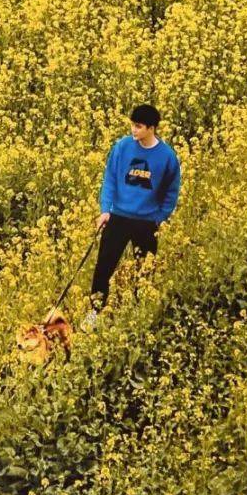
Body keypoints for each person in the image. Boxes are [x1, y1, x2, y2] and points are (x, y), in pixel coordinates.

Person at [82, 104, 181, 329]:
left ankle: (137, 317)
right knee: (104, 267)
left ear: (151, 128)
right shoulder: (122, 147)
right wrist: (105, 209)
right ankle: (94, 314)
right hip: (118, 217)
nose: (133, 131)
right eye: (132, 125)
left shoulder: (167, 157)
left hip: (147, 222)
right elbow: (110, 179)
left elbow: (171, 190)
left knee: (144, 271)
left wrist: (160, 217)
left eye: (138, 126)